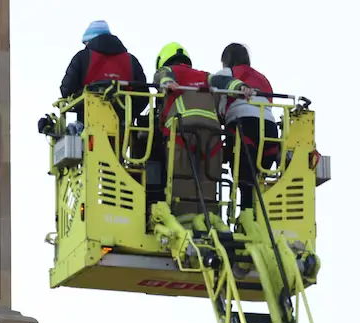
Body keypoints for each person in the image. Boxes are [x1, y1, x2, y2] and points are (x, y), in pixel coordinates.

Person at [152, 42, 253, 218]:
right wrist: (239, 87)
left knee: (181, 178)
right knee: (208, 179)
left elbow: (162, 75)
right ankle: (211, 218)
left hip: (183, 130)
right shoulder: (204, 76)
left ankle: (184, 218)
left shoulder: (170, 71)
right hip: (212, 133)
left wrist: (167, 82)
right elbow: (222, 82)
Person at [214, 43, 280, 210]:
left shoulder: (229, 74)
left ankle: (245, 215)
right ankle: (253, 216)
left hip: (244, 126)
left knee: (243, 177)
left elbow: (216, 93)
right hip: (270, 130)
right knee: (257, 179)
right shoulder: (263, 78)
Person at [60, 20, 149, 123]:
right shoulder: (131, 60)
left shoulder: (82, 57)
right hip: (124, 128)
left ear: (90, 40)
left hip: (89, 125)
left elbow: (67, 89)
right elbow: (144, 95)